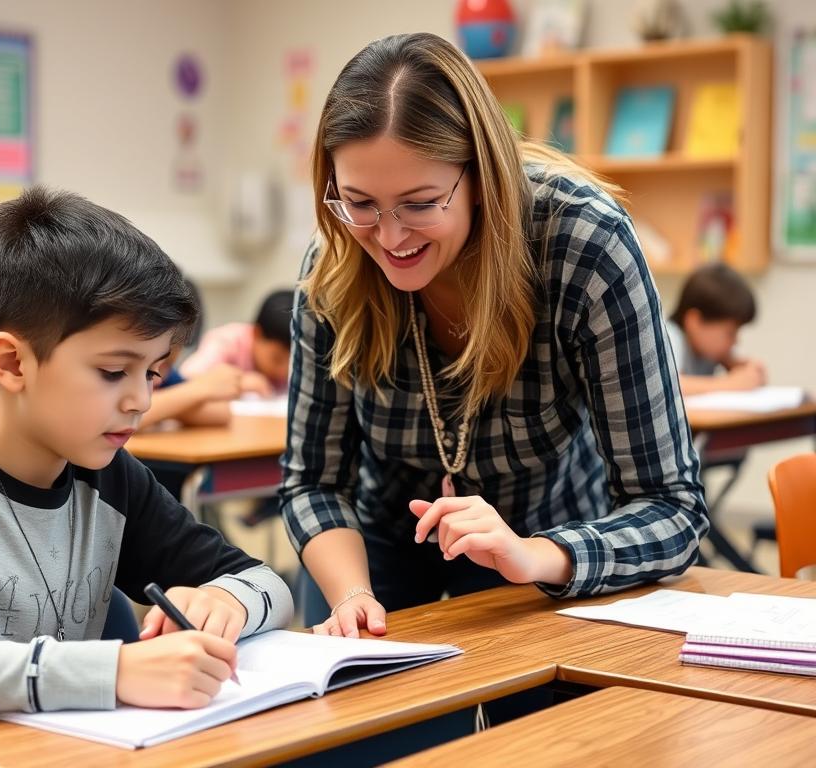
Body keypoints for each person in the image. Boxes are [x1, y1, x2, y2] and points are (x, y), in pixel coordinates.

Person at [0, 187, 293, 768]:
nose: (140, 401)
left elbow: (268, 584)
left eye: (154, 374)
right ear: (11, 363)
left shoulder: (111, 478)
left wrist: (225, 600)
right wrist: (113, 670)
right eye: (113, 372)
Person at [279, 32, 708, 637]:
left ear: (480, 177)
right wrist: (352, 593)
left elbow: (673, 508)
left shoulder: (584, 245)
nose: (390, 236)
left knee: (538, 730)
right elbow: (313, 480)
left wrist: (533, 555)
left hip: (550, 540)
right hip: (381, 543)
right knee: (362, 720)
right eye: (360, 203)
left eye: (420, 203)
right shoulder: (335, 265)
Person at [666, 264, 763, 396]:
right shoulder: (669, 337)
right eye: (730, 333)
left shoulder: (708, 350)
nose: (735, 341)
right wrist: (732, 384)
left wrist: (740, 367)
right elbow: (667, 386)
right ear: (694, 321)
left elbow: (740, 367)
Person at [179, 289, 294, 395]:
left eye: (291, 362)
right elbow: (187, 378)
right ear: (256, 334)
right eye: (277, 359)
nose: (283, 371)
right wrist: (240, 383)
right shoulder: (226, 341)